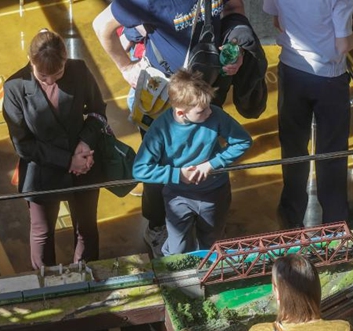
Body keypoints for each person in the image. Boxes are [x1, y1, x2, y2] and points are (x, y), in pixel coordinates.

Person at [92, 0, 246, 257]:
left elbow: (233, 9)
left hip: (206, 90)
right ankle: (157, 226)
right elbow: (101, 25)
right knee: (160, 162)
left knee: (205, 148)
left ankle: (203, 218)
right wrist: (126, 67)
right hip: (164, 95)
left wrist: (236, 48)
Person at [3, 30, 106, 269]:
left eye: (58, 73)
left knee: (86, 228)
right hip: (42, 172)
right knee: (42, 232)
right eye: (42, 76)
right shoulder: (14, 88)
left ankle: (86, 277)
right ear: (31, 61)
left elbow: (97, 110)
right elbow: (23, 143)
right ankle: (46, 285)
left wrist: (85, 143)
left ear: (66, 60)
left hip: (84, 164)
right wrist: (69, 161)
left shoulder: (79, 70)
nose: (50, 81)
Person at [263, 0, 353, 228]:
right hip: (329, 78)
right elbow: (341, 46)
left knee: (293, 147)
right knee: (332, 152)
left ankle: (290, 219)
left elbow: (278, 22)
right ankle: (334, 224)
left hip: (291, 70)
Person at [132, 69, 251, 256]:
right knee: (178, 250)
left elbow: (243, 141)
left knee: (211, 245)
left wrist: (211, 165)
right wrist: (177, 175)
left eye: (209, 106)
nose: (209, 112)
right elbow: (140, 169)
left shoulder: (215, 116)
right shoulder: (160, 130)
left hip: (214, 194)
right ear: (181, 112)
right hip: (178, 197)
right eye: (201, 111)